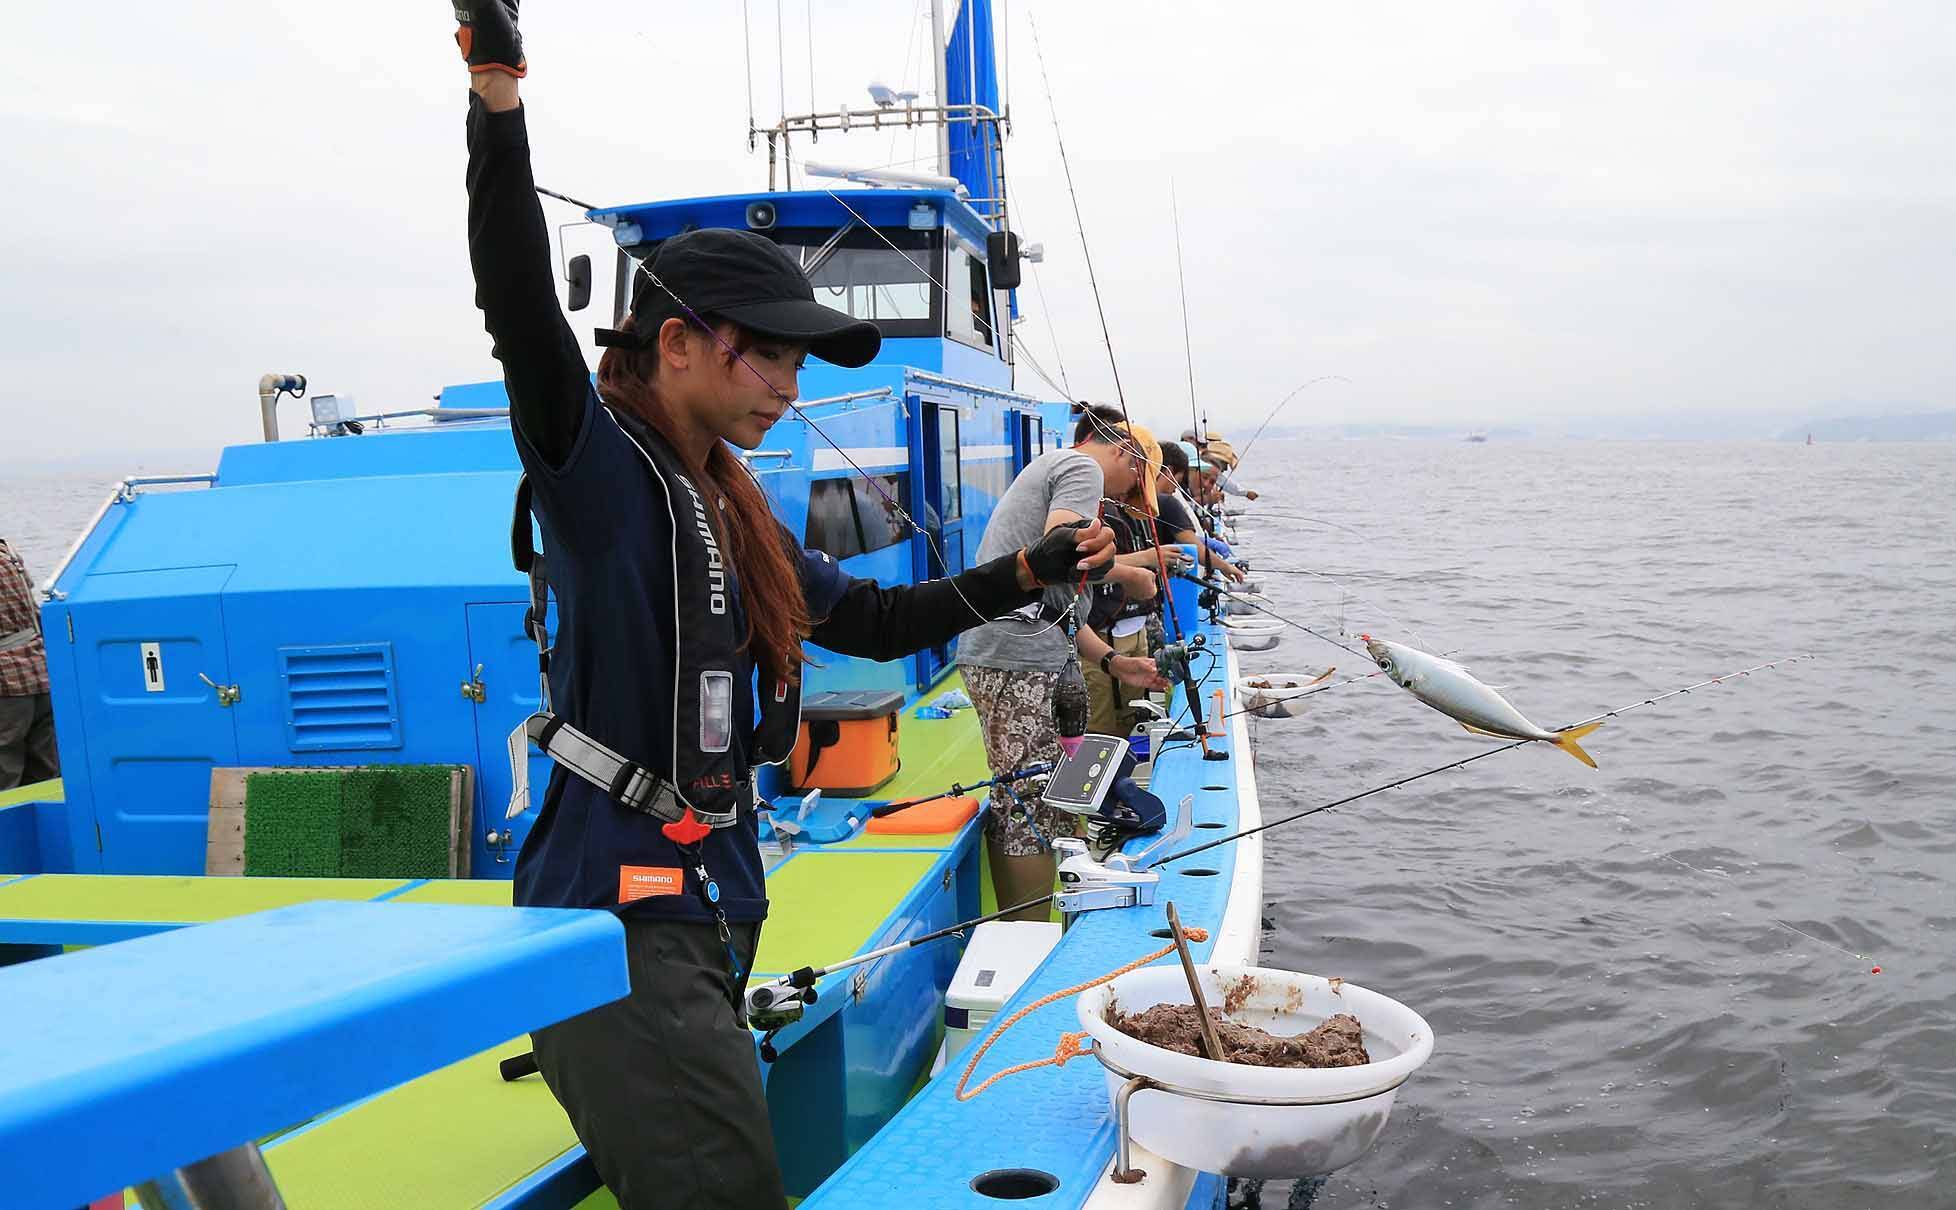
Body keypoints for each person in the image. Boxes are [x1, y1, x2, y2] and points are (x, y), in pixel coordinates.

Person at [451, 7, 1115, 1206]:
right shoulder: (601, 473)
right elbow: (517, 305)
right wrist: (498, 95)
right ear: (682, 343)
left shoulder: (731, 508)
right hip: (614, 924)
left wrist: (1029, 571)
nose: (792, 386)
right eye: (774, 356)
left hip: (704, 903)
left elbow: (872, 620)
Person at [957, 406, 1167, 921]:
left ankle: (1035, 919)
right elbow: (1062, 552)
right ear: (1124, 451)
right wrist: (1129, 574)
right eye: (1132, 487)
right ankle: (1024, 932)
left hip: (1029, 653)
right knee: (1028, 794)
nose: (1122, 501)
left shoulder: (1063, 475)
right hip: (1013, 656)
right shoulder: (1081, 468)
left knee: (1049, 791)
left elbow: (1060, 612)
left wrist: (1115, 662)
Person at [0, 539, 57, 791]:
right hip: (40, 672)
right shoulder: (7, 551)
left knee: (5, 777)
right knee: (46, 773)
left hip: (6, 685)